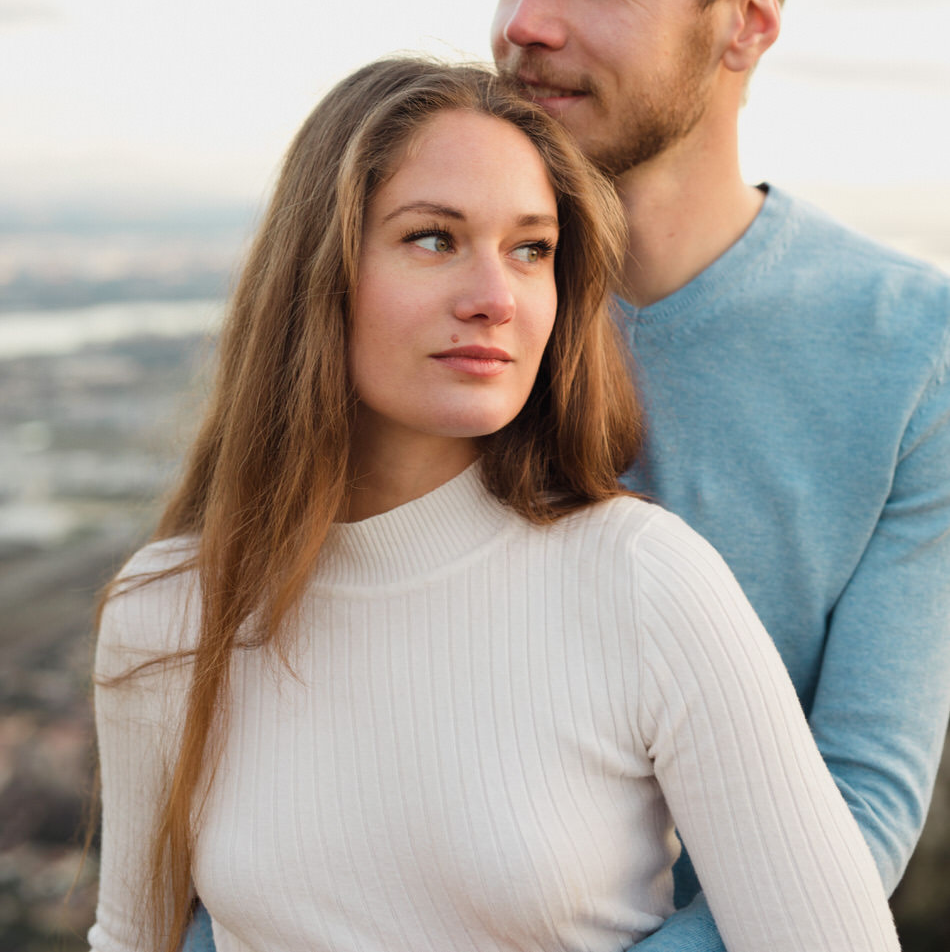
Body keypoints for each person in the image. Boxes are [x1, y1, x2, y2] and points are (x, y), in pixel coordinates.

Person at [90, 58, 899, 952]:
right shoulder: (169, 611)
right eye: (434, 238)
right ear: (317, 270)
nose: (494, 299)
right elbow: (133, 937)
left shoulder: (643, 581)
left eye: (530, 249)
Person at [490, 0, 950, 947]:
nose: (523, 23)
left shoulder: (914, 350)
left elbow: (856, 807)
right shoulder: (441, 311)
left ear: (745, 19)